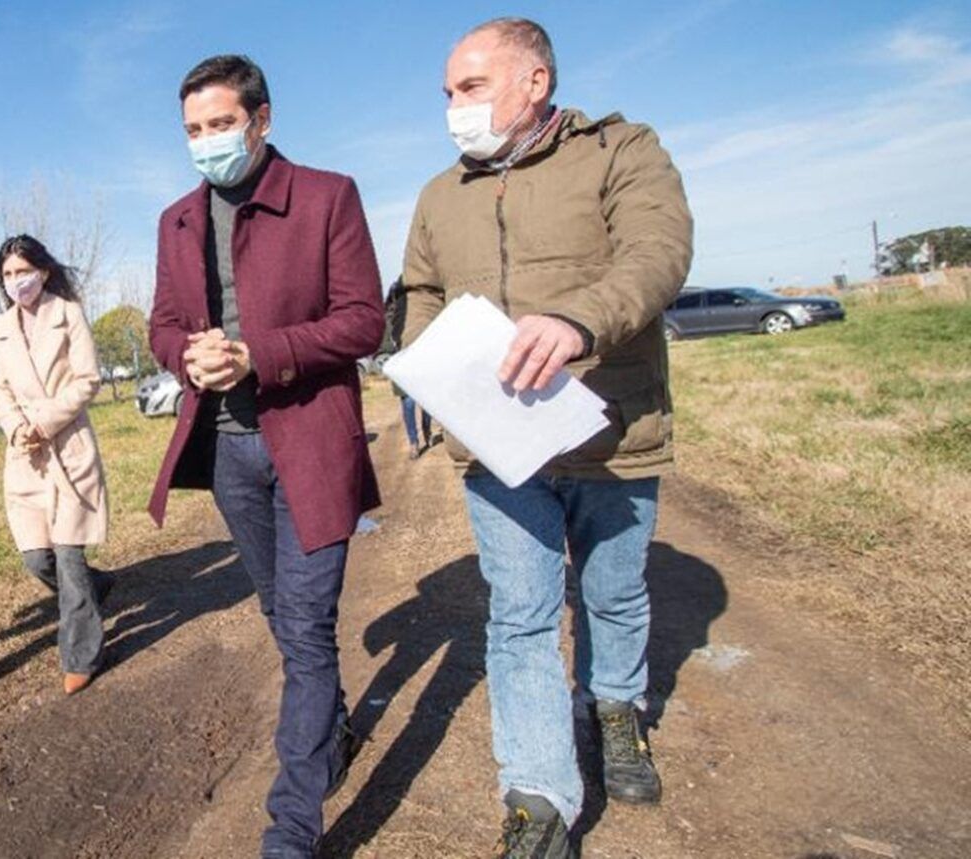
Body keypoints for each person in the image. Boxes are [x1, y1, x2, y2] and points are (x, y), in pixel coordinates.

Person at [401, 18, 694, 858]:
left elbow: (658, 252)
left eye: (472, 87)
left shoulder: (621, 151)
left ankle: (614, 708)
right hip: (499, 449)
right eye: (448, 94)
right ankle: (538, 793)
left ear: (534, 83)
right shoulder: (438, 194)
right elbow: (419, 290)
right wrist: (425, 364)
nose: (454, 109)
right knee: (521, 614)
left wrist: (577, 322)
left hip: (610, 431)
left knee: (612, 594)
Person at [147, 54, 384, 859]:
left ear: (262, 119)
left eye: (220, 124)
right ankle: (333, 731)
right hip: (229, 453)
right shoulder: (175, 220)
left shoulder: (327, 196)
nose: (207, 141)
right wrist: (190, 357)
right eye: (193, 130)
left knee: (309, 630)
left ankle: (292, 828)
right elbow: (161, 326)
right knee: (283, 617)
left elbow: (362, 322)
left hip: (312, 445)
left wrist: (258, 353)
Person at [0, 234, 113, 696]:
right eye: (7, 275)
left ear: (42, 271)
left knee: (68, 553)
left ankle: (82, 653)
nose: (16, 281)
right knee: (37, 557)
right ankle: (97, 587)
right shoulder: (1, 327)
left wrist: (44, 421)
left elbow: (87, 380)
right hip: (25, 455)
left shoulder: (68, 314)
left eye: (23, 271)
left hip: (67, 444)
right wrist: (16, 427)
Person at [384, 281, 433, 459]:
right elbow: (387, 319)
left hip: (423, 354)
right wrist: (390, 345)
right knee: (408, 402)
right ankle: (414, 442)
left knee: (426, 400)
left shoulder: (425, 291)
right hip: (401, 354)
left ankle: (427, 429)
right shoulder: (395, 292)